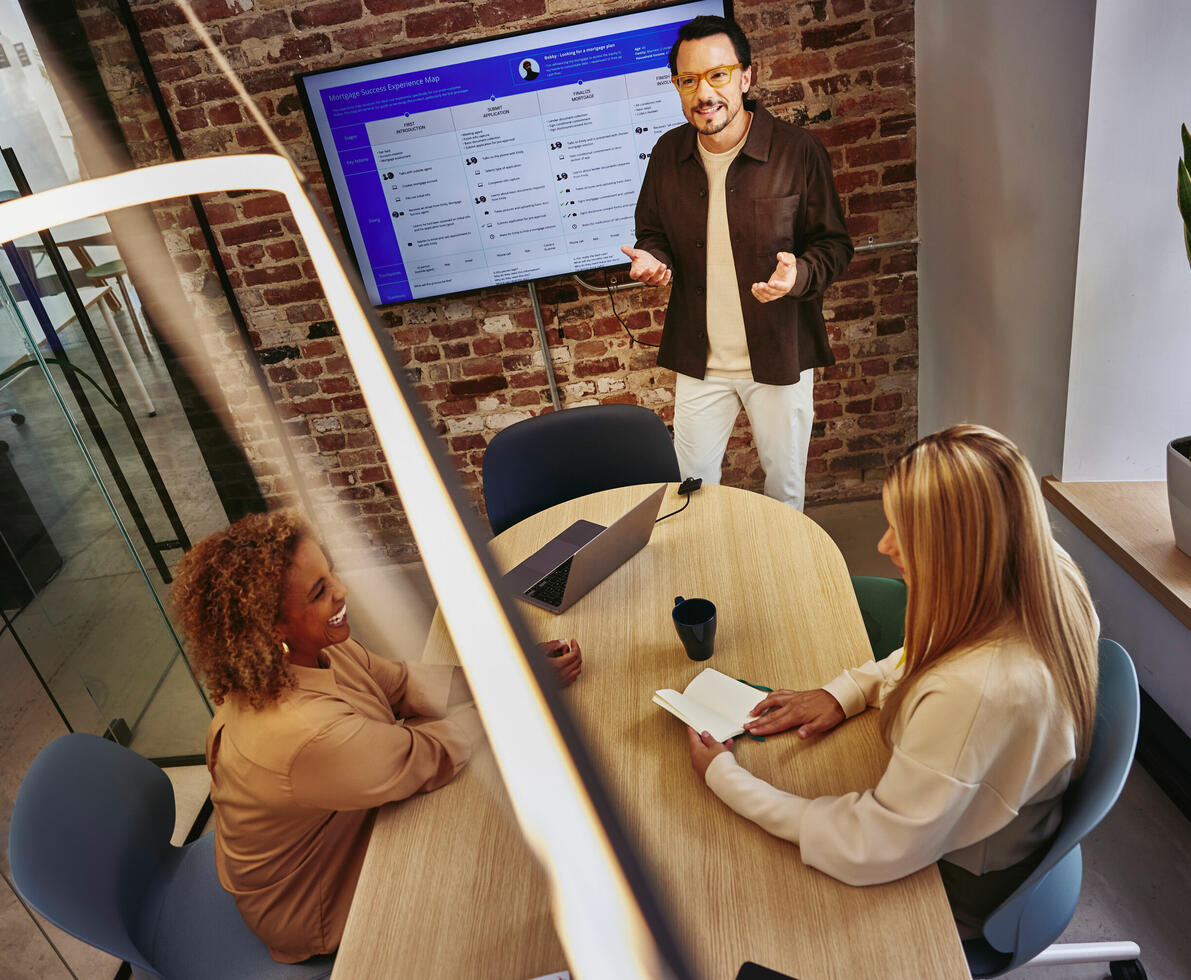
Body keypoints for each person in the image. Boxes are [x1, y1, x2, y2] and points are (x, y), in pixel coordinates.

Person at [684, 425, 1100, 934]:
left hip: (964, 882)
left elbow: (871, 845)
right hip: (1006, 820)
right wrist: (845, 692)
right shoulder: (1046, 572)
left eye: (902, 531)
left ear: (958, 549)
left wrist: (727, 779)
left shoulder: (975, 691)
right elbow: (946, 647)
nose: (883, 545)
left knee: (729, 897)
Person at [171, 510, 582, 962]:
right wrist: (515, 693)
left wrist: (508, 669)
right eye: (319, 591)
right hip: (312, 900)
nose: (341, 591)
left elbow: (403, 685)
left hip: (346, 812)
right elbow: (426, 755)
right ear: (273, 630)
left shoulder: (316, 648)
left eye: (330, 574)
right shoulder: (305, 733)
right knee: (503, 872)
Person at [620, 15, 853, 510]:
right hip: (700, 360)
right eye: (688, 80)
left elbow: (834, 245)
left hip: (779, 353)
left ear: (745, 77)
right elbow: (655, 234)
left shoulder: (797, 151)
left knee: (784, 492)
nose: (703, 93)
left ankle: (780, 586)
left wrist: (798, 277)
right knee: (690, 492)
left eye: (717, 75)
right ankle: (704, 585)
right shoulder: (666, 154)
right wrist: (654, 262)